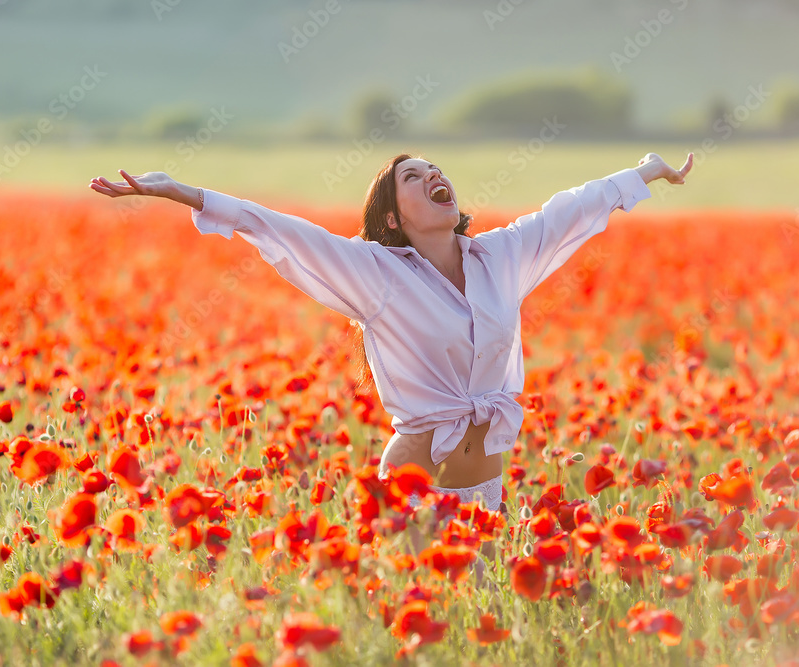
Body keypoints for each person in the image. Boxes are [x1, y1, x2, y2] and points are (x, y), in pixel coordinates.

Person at [88, 151, 693, 519]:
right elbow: (282, 230)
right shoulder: (375, 274)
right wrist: (178, 192)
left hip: (486, 489)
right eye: (413, 176)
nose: (433, 174)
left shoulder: (502, 256)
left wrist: (647, 170)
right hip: (415, 488)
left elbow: (572, 209)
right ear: (393, 217)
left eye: (435, 169)